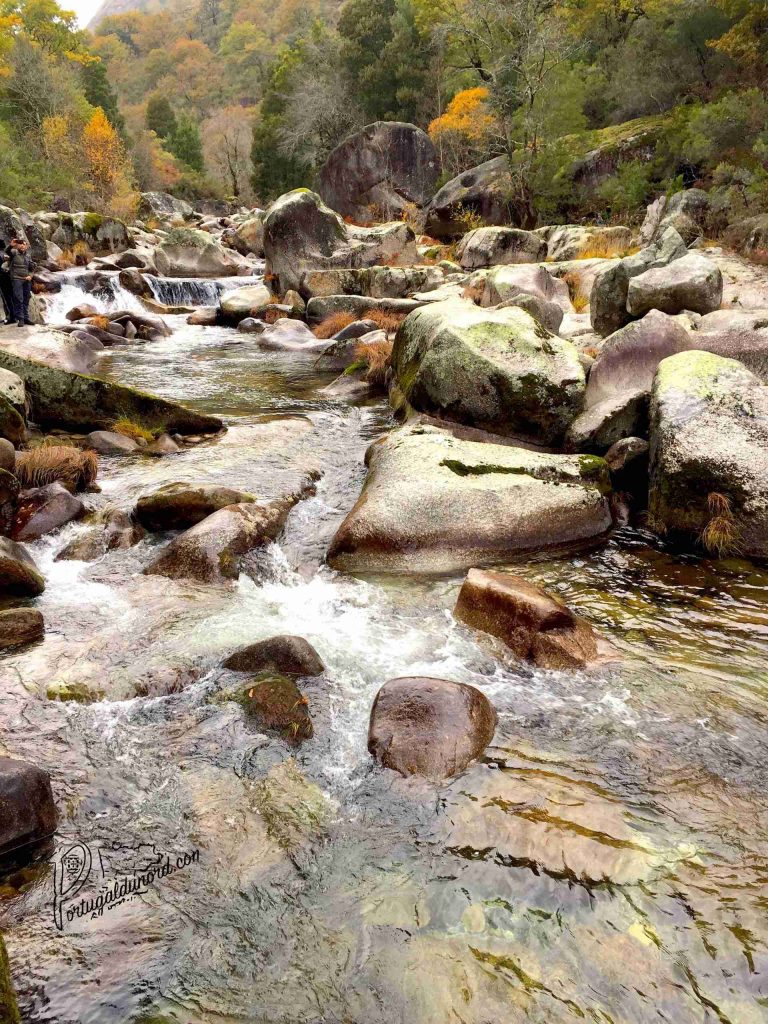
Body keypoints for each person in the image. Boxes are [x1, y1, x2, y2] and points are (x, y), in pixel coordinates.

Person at [6, 237, 35, 327]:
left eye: (24, 244)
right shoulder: (14, 252)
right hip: (16, 279)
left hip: (26, 280)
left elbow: (32, 268)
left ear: (27, 246)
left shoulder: (28, 256)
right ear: (18, 245)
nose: (22, 245)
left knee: (26, 298)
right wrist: (11, 245)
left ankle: (26, 318)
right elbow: (7, 251)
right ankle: (20, 319)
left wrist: (30, 276)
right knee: (19, 299)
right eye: (21, 244)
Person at [0, 233, 14, 325]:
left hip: (4, 278)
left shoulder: (3, 253)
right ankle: (10, 316)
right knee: (7, 298)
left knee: (7, 298)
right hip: (5, 278)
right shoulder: (4, 253)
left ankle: (11, 317)